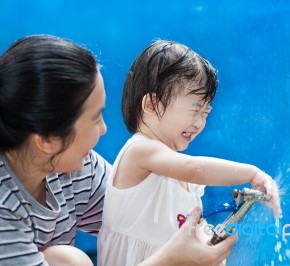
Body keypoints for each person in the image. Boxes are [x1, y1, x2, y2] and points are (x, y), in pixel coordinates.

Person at [0, 34, 237, 266]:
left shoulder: (74, 170)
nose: (104, 129)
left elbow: (144, 221)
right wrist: (169, 260)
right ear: (47, 140)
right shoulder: (4, 214)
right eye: (94, 119)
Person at [97, 40, 282, 266]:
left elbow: (191, 234)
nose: (199, 123)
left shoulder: (182, 178)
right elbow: (193, 169)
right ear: (152, 105)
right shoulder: (140, 150)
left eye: (205, 113)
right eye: (194, 110)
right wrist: (252, 174)